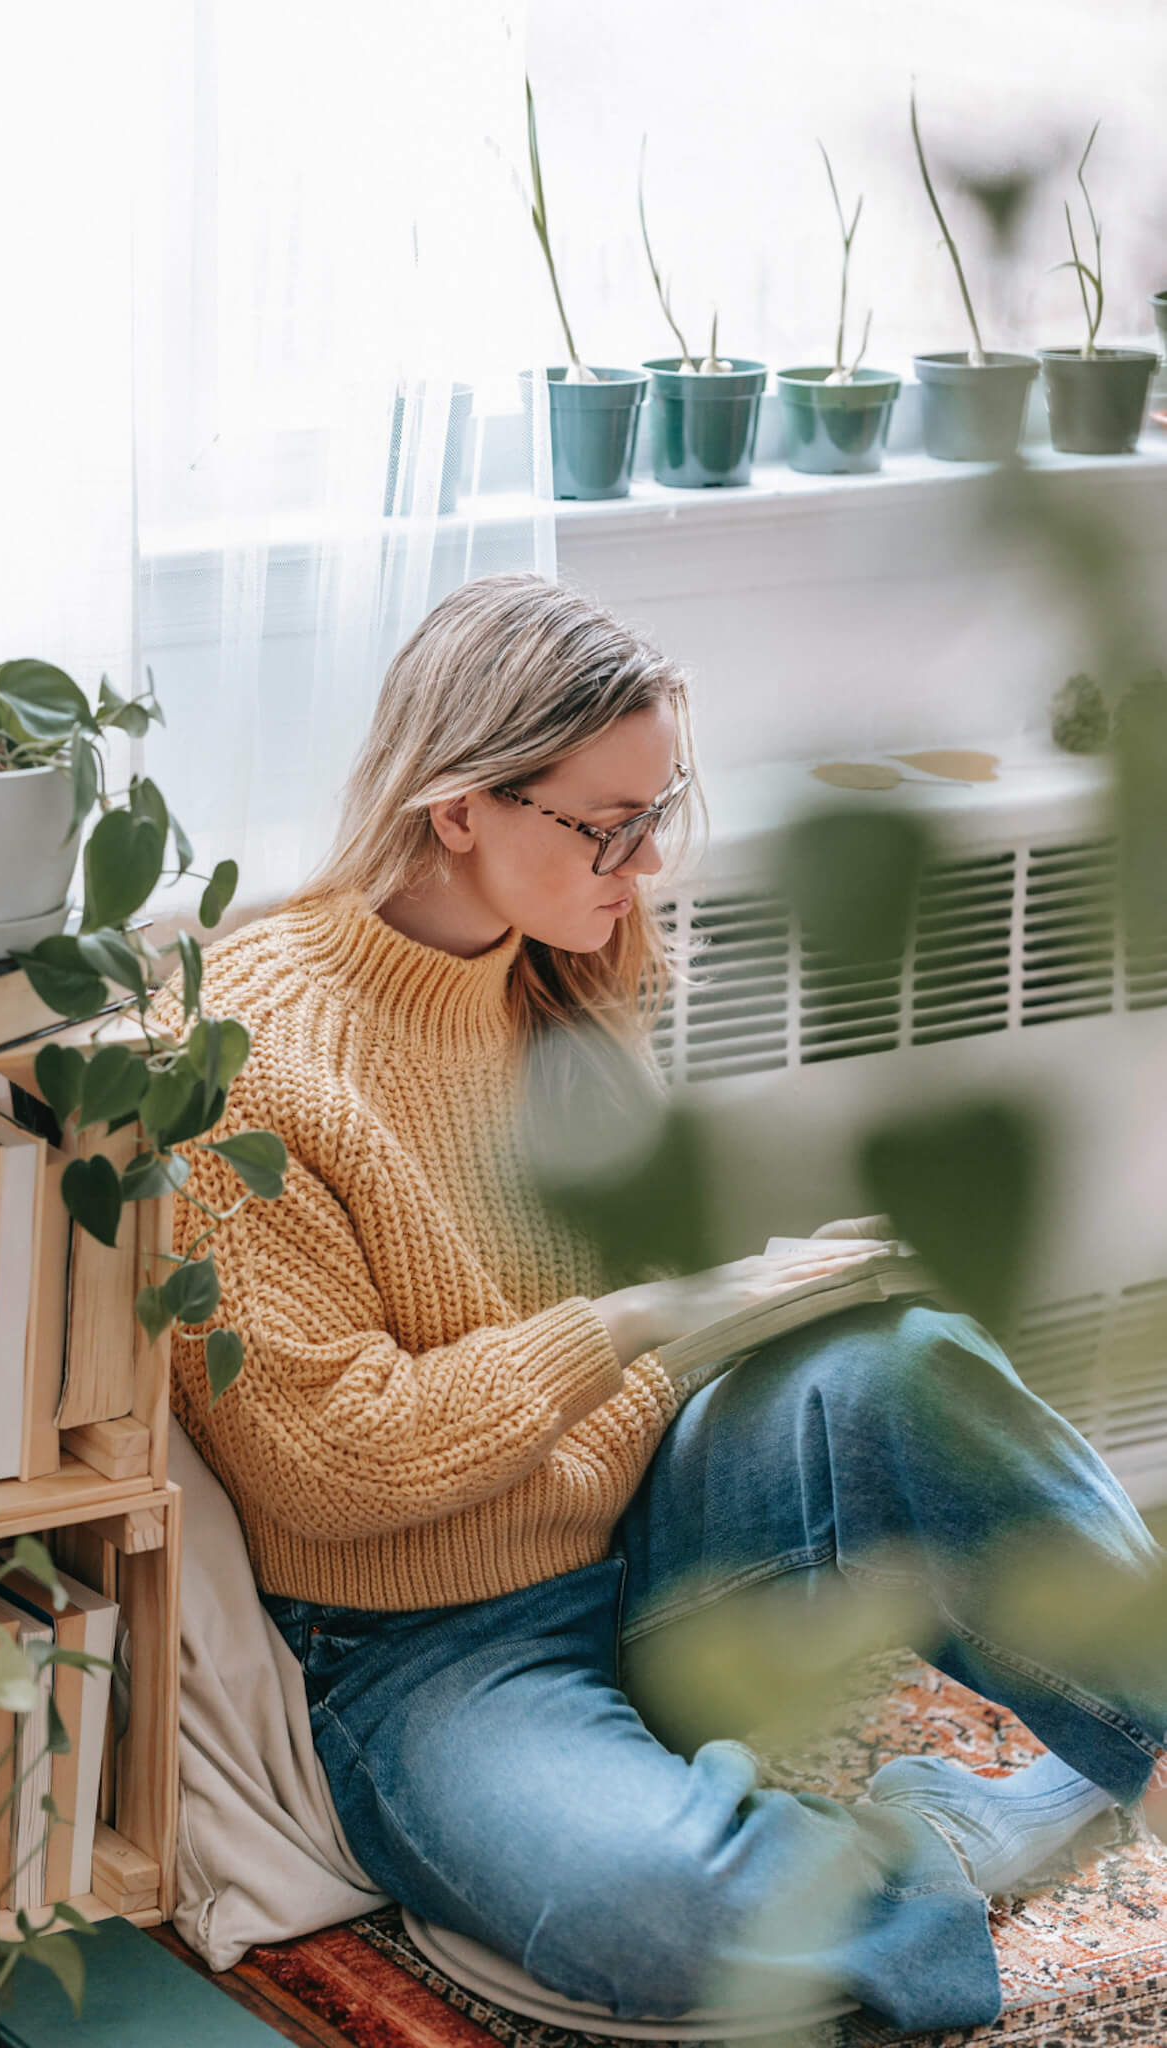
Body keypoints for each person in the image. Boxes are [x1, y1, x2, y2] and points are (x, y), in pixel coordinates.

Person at [167, 573, 1167, 2036]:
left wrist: (745, 1311)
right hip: (434, 1646)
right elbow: (332, 1467)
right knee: (675, 1918)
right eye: (605, 825)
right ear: (458, 807)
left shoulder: (566, 984)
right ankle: (949, 1837)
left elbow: (649, 1348)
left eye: (658, 813)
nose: (641, 865)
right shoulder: (244, 1059)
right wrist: (655, 1321)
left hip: (653, 1529)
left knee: (902, 1362)